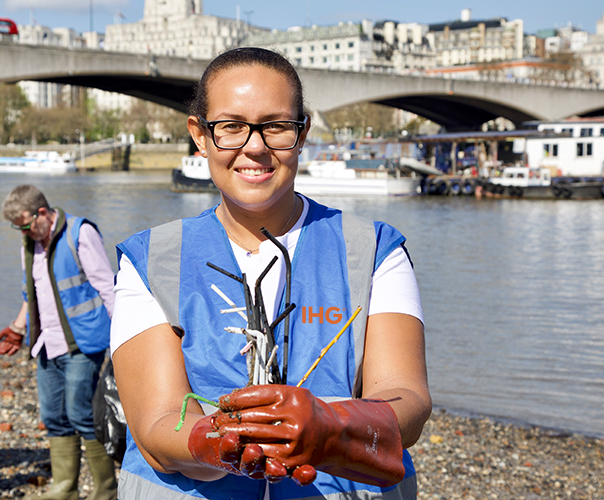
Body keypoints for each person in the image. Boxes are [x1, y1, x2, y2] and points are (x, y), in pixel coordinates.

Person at [111, 47, 432, 499]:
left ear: (301, 134)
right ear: (199, 136)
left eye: (276, 126)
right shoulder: (150, 260)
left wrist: (331, 425)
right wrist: (212, 445)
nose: (255, 146)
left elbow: (407, 398)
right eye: (231, 127)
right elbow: (157, 422)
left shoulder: (376, 251)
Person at [0, 185, 117, 500]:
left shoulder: (80, 233)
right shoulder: (28, 243)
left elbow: (107, 287)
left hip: (83, 343)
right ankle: (65, 488)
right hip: (46, 344)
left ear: (42, 213)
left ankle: (106, 490)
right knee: (53, 416)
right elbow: (31, 295)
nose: (22, 232)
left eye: (25, 224)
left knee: (81, 414)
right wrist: (17, 328)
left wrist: (124, 337)